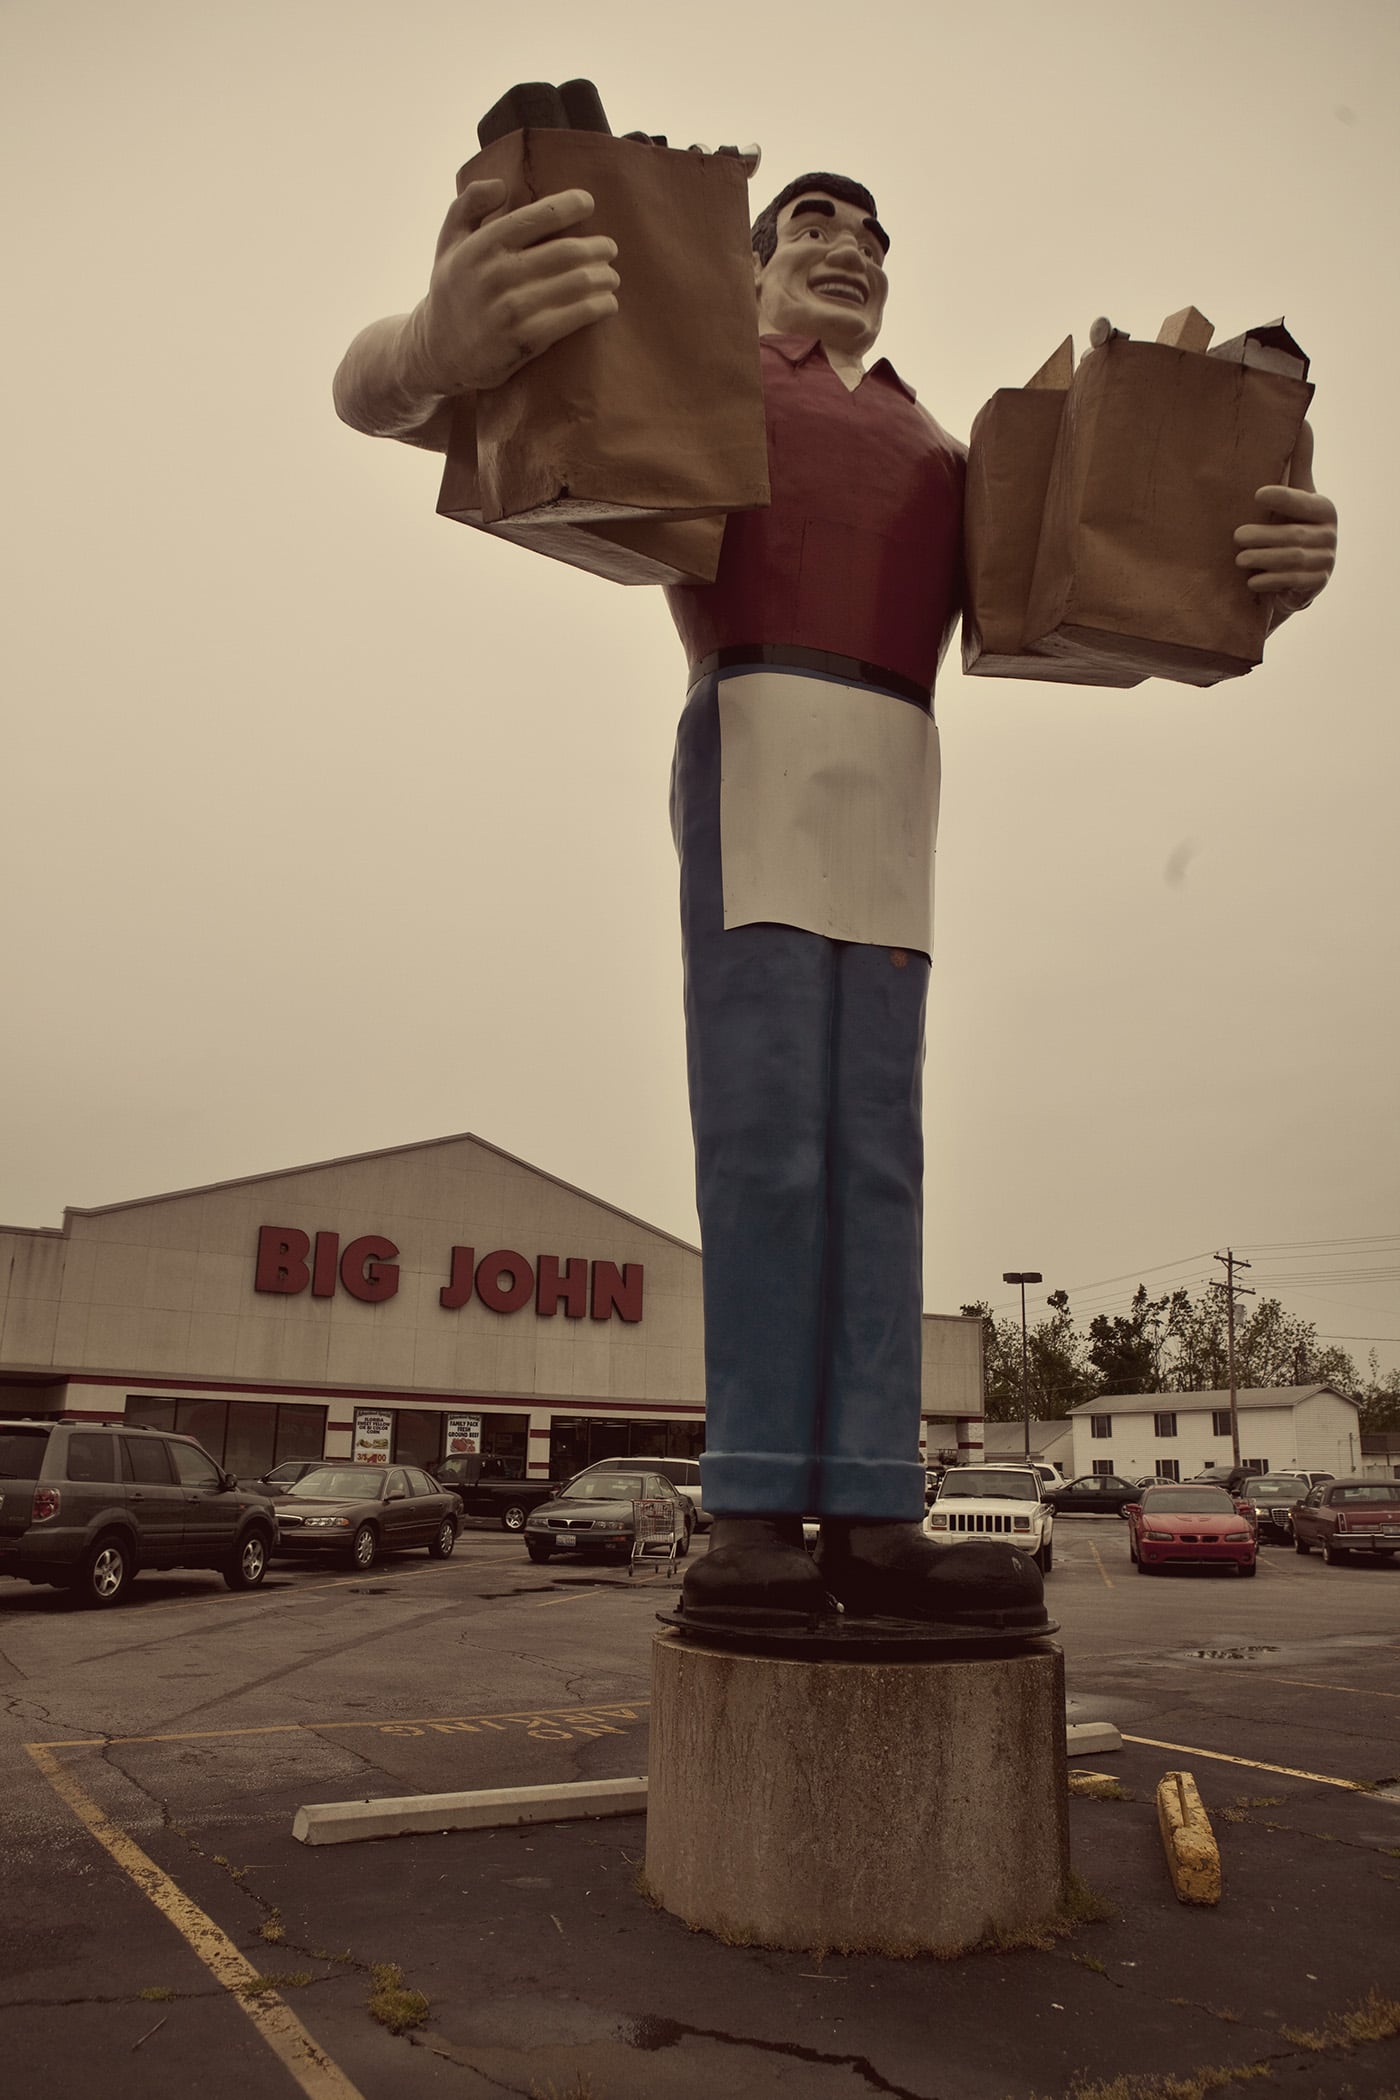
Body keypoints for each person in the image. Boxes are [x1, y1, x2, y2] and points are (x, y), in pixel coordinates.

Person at [334, 160, 1337, 1636]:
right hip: (755, 733)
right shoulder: (703, 381)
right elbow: (391, 401)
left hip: (896, 770)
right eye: (812, 226)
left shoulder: (950, 446)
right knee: (766, 1139)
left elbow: (1124, 576)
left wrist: (1259, 562)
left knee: (877, 1152)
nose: (848, 249)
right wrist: (433, 342)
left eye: (871, 237)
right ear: (747, 271)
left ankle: (867, 1509)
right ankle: (750, 1511)